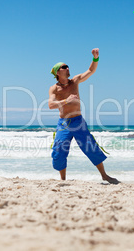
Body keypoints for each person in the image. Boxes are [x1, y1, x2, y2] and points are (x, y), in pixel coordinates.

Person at [48, 48, 120, 184]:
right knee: (58, 151)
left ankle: (104, 175)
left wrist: (95, 58)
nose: (67, 68)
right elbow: (51, 105)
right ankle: (63, 179)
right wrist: (66, 101)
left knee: (90, 147)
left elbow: (91, 71)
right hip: (63, 123)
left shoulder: (75, 81)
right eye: (64, 67)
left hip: (78, 121)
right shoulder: (54, 88)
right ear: (58, 72)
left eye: (67, 66)